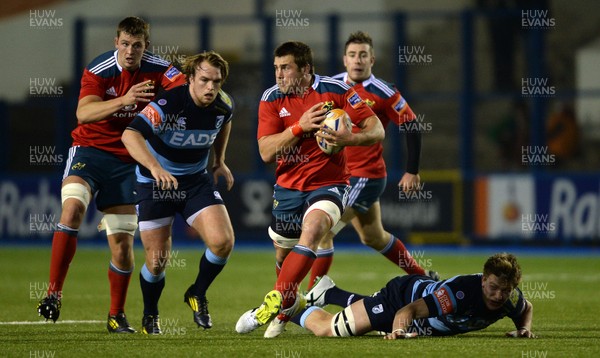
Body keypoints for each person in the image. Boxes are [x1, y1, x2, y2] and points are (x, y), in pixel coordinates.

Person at [37, 16, 186, 333]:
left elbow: (186, 90)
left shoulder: (159, 70)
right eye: (125, 44)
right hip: (90, 151)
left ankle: (116, 315)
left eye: (137, 45)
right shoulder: (99, 69)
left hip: (128, 159)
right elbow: (83, 113)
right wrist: (125, 99)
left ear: (146, 47)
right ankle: (53, 293)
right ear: (116, 43)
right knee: (73, 208)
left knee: (121, 246)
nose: (130, 50)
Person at [235, 41, 385, 338]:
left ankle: (272, 303)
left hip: (329, 185)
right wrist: (299, 127)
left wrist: (348, 140)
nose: (279, 75)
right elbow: (265, 152)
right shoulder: (271, 98)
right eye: (276, 68)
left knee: (315, 229)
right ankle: (287, 306)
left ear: (305, 69)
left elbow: (376, 129)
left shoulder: (336, 91)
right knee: (283, 257)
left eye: (286, 68)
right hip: (288, 188)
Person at [309, 31, 437, 288]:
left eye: (363, 55)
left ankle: (312, 296)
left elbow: (411, 125)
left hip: (364, 176)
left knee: (323, 231)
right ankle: (424, 278)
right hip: (341, 176)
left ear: (372, 60)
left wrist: (412, 171)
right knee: (374, 237)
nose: (358, 60)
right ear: (344, 60)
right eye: (353, 55)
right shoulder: (333, 85)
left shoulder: (384, 92)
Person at [121, 51, 235, 334]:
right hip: (153, 184)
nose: (211, 87)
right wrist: (155, 168)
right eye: (205, 80)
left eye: (217, 82)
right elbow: (129, 135)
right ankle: (150, 315)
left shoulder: (224, 105)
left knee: (222, 242)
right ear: (190, 79)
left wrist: (219, 160)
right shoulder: (169, 102)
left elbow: (224, 124)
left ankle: (197, 292)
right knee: (157, 261)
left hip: (194, 182)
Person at [296, 253, 536, 339]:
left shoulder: (511, 298)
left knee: (370, 319)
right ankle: (289, 309)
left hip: (425, 315)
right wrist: (398, 330)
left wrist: (524, 328)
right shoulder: (459, 294)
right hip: (401, 299)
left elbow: (526, 309)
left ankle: (329, 292)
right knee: (331, 329)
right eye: (493, 287)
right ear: (483, 279)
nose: (498, 295)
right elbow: (407, 312)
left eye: (505, 290)